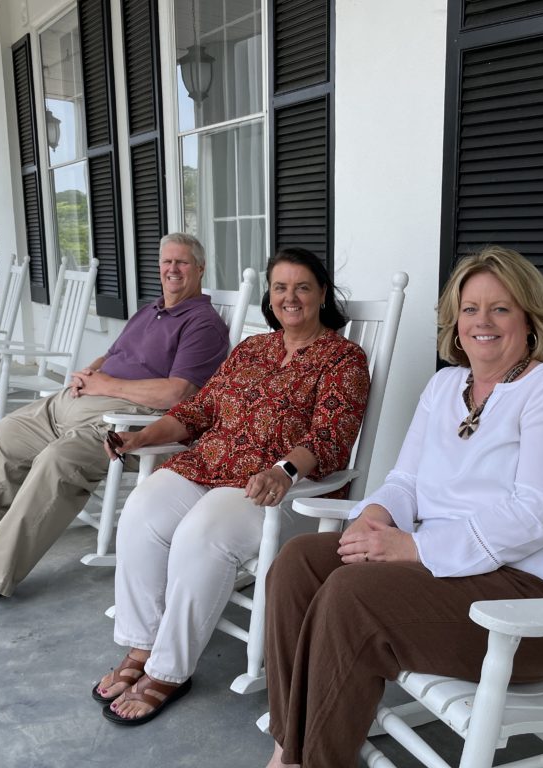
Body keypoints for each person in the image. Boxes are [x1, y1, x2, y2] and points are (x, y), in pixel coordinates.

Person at [262, 245, 543, 768]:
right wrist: (377, 516)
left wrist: (412, 547)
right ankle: (293, 746)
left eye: (501, 308)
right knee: (298, 563)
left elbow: (537, 512)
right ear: (455, 319)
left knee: (351, 597)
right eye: (470, 309)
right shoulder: (446, 385)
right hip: (452, 574)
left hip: (534, 600)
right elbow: (405, 479)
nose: (482, 322)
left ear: (528, 319)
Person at [91, 247, 371, 726]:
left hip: (276, 489)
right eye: (280, 287)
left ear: (322, 294)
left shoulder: (343, 358)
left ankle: (169, 669)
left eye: (302, 287)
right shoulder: (252, 349)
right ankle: (142, 644)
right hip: (210, 465)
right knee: (141, 509)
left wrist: (282, 471)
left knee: (201, 534)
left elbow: (330, 439)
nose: (290, 297)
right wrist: (141, 437)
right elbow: (198, 412)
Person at [0, 233, 230, 622]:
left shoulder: (202, 324)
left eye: (182, 262)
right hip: (75, 403)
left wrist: (105, 385)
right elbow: (118, 352)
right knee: (6, 434)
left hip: (127, 422)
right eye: (166, 262)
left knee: (57, 461)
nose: (172, 269)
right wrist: (93, 369)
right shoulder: (149, 310)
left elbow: (178, 392)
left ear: (200, 269)